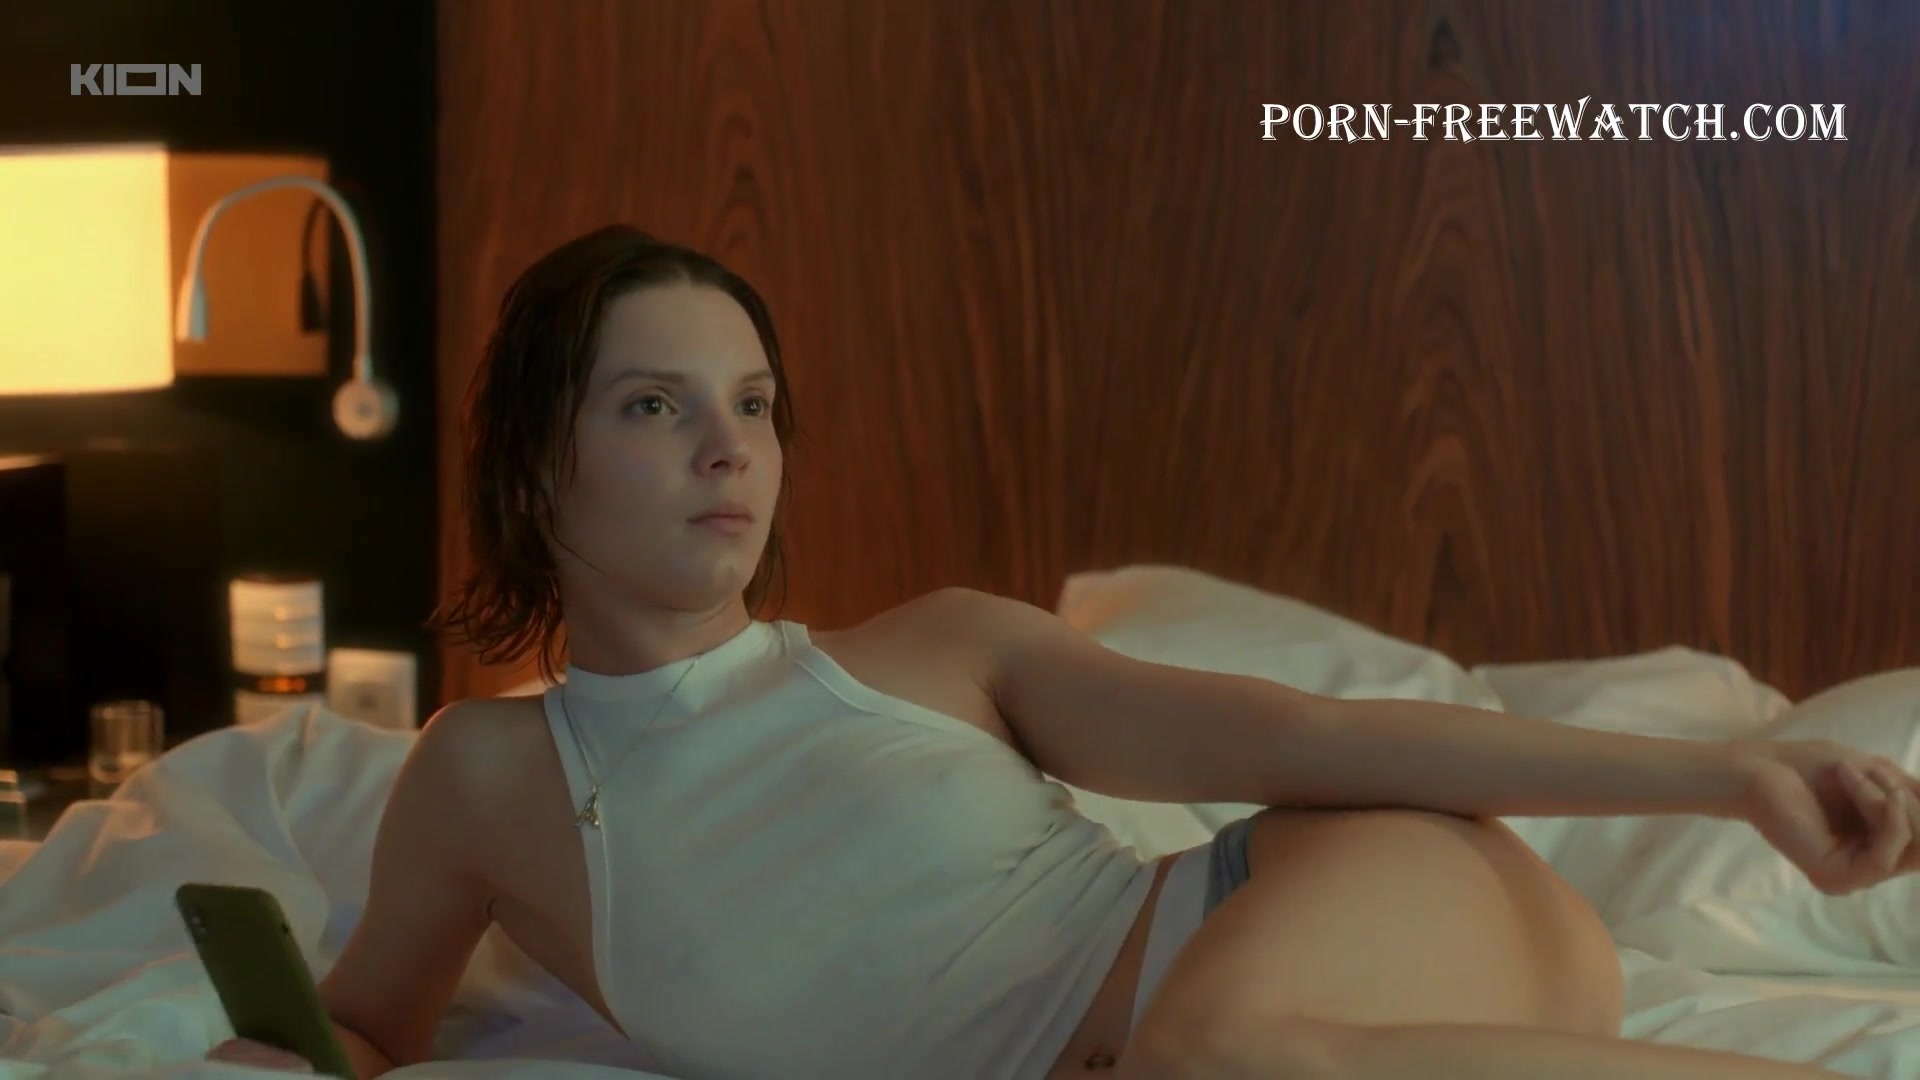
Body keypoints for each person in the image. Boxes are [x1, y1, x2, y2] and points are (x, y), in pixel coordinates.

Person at [213, 225, 1920, 1080]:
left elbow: (1305, 738)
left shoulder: (932, 650)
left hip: (1376, 905)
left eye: (754, 404)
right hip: (1303, 1039)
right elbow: (362, 1029)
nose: (731, 448)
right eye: (656, 407)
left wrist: (1733, 777)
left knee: (1212, 1054)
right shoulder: (485, 775)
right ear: (535, 466)